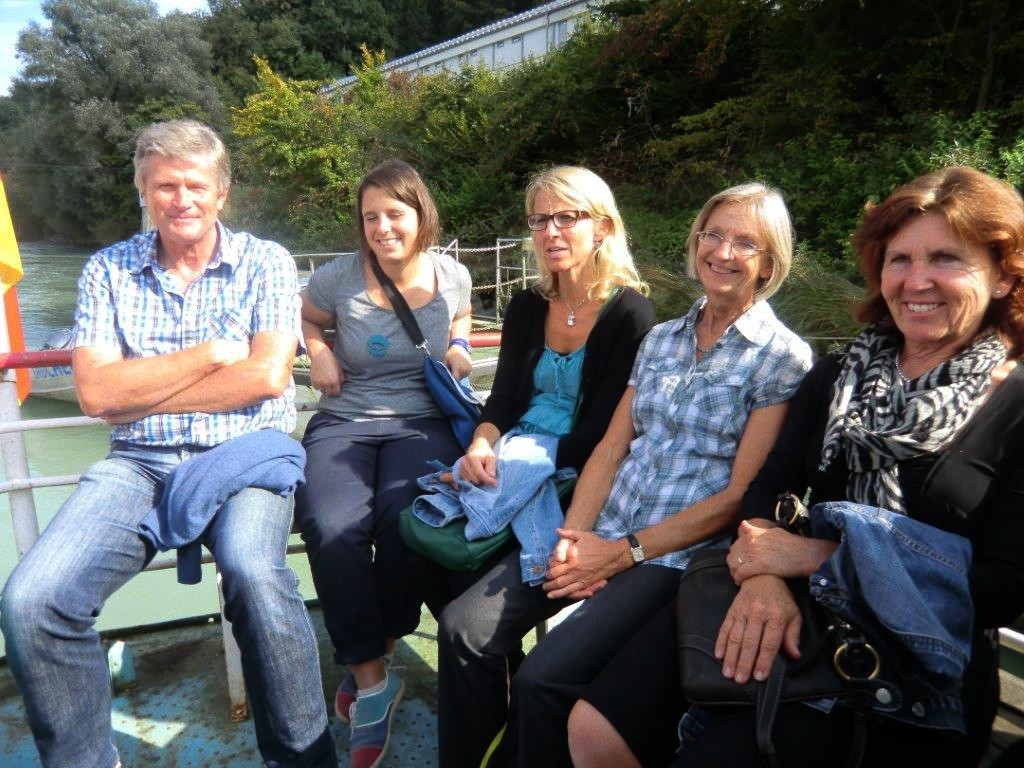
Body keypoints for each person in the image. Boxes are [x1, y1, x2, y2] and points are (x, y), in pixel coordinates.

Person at [580, 166, 1024, 767]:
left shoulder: (1015, 407)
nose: (917, 281)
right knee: (594, 729)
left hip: (909, 664)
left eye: (947, 259)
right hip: (787, 597)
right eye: (900, 260)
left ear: (1002, 276)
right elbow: (767, 487)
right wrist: (766, 576)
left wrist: (818, 559)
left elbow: (1004, 587)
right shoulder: (841, 374)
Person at [440, 182, 813, 768]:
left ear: (769, 261)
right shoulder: (663, 339)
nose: (723, 250)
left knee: (543, 680)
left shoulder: (782, 358)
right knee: (465, 627)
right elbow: (611, 449)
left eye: (746, 242)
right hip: (601, 526)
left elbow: (740, 495)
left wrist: (620, 554)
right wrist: (572, 542)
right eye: (713, 234)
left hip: (671, 555)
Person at [0, 120, 335, 768]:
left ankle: (302, 760)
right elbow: (96, 395)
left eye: (194, 185)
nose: (181, 199)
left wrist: (142, 386)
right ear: (143, 193)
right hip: (138, 463)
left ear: (221, 192)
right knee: (33, 600)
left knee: (254, 573)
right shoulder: (108, 272)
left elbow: (265, 378)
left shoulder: (265, 261)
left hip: (246, 454)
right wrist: (209, 356)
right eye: (164, 186)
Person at [433, 165, 656, 767]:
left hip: (575, 485)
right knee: (420, 559)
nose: (551, 231)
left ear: (602, 227)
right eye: (540, 219)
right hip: (512, 464)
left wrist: (519, 461)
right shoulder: (529, 305)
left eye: (567, 217)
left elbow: (602, 437)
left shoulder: (631, 316)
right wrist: (483, 443)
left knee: (465, 627)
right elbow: (503, 401)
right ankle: (498, 723)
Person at [293, 159, 473, 768]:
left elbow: (464, 318)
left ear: (421, 214)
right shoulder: (335, 277)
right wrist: (316, 350)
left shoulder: (452, 274)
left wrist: (460, 345)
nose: (381, 227)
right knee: (330, 524)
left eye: (394, 214)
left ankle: (379, 641)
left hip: (421, 420)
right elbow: (309, 319)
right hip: (344, 419)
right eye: (370, 217)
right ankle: (373, 678)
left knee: (408, 521)